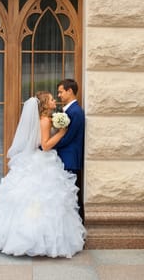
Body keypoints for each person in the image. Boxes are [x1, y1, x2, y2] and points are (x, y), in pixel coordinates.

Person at [0, 91, 86, 258]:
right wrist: (62, 133)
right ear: (44, 105)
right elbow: (46, 146)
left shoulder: (42, 119)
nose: (54, 100)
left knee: (29, 199)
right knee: (44, 199)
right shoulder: (46, 120)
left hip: (33, 159)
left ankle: (18, 236)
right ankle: (40, 238)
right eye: (51, 99)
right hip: (43, 161)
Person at [54, 79, 85, 220]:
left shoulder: (76, 112)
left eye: (61, 92)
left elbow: (68, 138)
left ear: (69, 91)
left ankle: (78, 233)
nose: (59, 95)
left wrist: (46, 145)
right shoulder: (69, 110)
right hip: (65, 159)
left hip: (70, 160)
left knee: (72, 198)